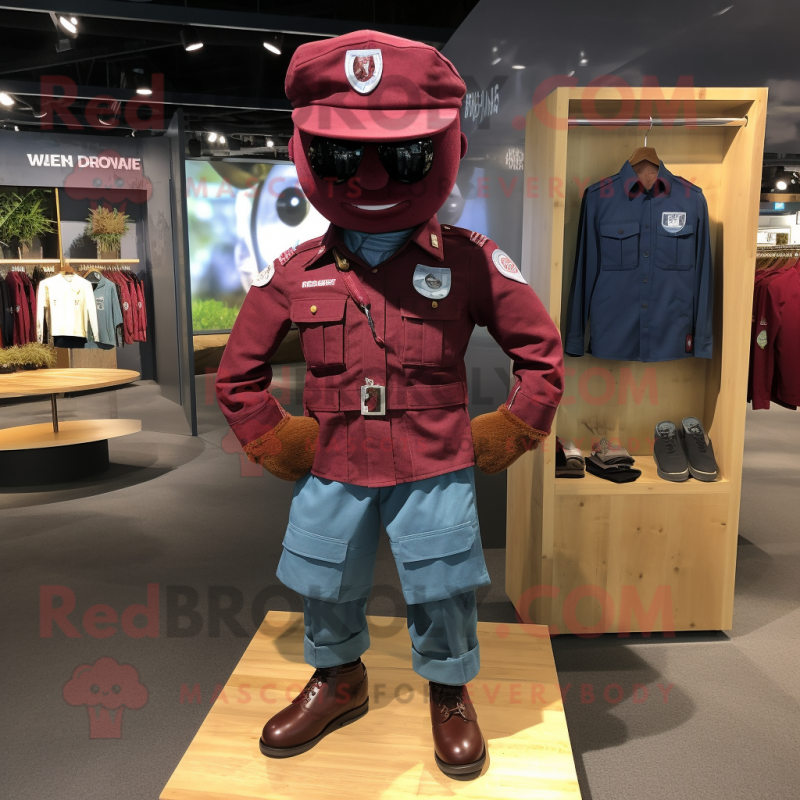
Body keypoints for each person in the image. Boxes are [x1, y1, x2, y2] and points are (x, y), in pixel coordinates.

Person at [216, 29, 564, 778]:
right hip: (336, 462)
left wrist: (511, 428)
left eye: (404, 156)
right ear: (307, 153)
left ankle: (450, 687)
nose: (370, 176)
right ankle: (338, 677)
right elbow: (237, 374)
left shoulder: (470, 262)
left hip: (432, 462)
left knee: (443, 583)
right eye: (341, 157)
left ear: (447, 149)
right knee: (324, 579)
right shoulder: (298, 271)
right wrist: (277, 439)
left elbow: (541, 354)